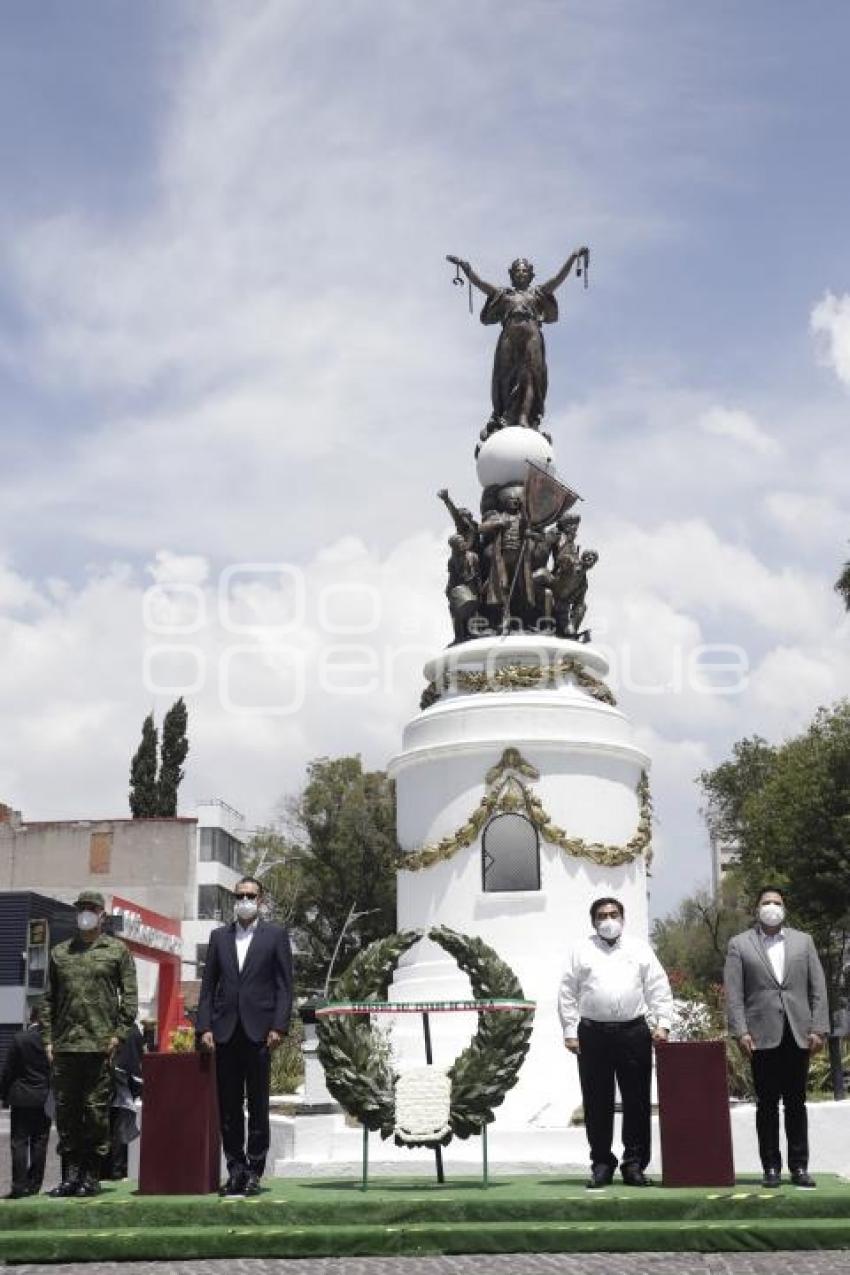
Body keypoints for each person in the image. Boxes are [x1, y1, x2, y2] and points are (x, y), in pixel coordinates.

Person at [558, 896, 674, 1188]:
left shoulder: (639, 948)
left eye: (613, 914)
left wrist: (663, 1024)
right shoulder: (580, 950)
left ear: (623, 918)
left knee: (636, 1101)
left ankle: (634, 1164)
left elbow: (658, 986)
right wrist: (570, 1031)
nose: (608, 920)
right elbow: (567, 992)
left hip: (633, 1032)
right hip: (592, 1034)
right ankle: (601, 1163)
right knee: (597, 1101)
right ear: (593, 921)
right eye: (601, 915)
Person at [724, 886, 829, 1189]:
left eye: (777, 902)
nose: (771, 906)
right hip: (760, 1036)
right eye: (766, 902)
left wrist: (819, 1028)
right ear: (756, 909)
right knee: (766, 1104)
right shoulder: (740, 944)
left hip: (798, 1033)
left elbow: (817, 987)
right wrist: (741, 1030)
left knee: (796, 1103)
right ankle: (771, 1167)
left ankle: (799, 1167)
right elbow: (735, 994)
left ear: (785, 908)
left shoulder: (803, 942)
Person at [196, 876, 293, 1197]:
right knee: (228, 1108)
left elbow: (284, 986)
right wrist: (205, 1027)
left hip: (260, 1033)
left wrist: (279, 1027)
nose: (244, 901)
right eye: (239, 896)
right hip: (225, 1032)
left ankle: (254, 1170)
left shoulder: (275, 936)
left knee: (258, 1105)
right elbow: (208, 987)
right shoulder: (219, 937)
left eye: (250, 896)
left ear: (261, 901)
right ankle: (234, 1170)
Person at [41, 889, 138, 1198]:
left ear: (102, 915)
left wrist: (118, 1035)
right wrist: (47, 1040)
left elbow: (131, 998)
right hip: (66, 1045)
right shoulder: (59, 953)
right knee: (67, 1113)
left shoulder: (117, 951)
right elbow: (46, 1000)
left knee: (95, 1113)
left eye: (91, 908)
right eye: (81, 907)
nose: (85, 912)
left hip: (100, 1046)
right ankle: (70, 1175)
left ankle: (92, 1175)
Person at [446, 249, 588, 432]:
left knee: (530, 375)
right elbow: (481, 284)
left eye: (524, 271)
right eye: (517, 271)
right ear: (512, 275)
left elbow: (558, 278)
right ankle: (504, 415)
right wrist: (466, 269)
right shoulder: (504, 294)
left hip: (532, 335)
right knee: (506, 375)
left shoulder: (538, 293)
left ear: (530, 275)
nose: (521, 273)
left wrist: (573, 257)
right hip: (509, 334)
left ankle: (524, 417)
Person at [0, 1005, 52, 1198]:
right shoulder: (53, 1041)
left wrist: (4, 1095)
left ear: (32, 1017)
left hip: (21, 1097)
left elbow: (8, 1071)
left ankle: (19, 1185)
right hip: (44, 1097)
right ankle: (35, 1184)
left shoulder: (19, 1038)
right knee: (40, 1142)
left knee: (19, 1142)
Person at [104, 1020, 144, 1180]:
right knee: (119, 1131)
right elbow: (137, 1060)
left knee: (108, 1130)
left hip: (110, 1086)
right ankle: (118, 1168)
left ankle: (107, 1169)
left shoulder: (110, 1027)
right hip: (124, 1088)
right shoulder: (134, 1031)